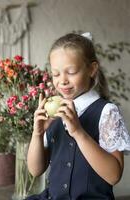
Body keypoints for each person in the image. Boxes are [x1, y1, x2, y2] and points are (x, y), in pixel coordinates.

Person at [26, 33, 130, 200]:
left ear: (92, 69)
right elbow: (35, 170)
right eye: (56, 74)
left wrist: (78, 132)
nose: (62, 81)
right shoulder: (53, 112)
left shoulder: (107, 112)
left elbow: (114, 176)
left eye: (71, 72)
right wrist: (37, 133)